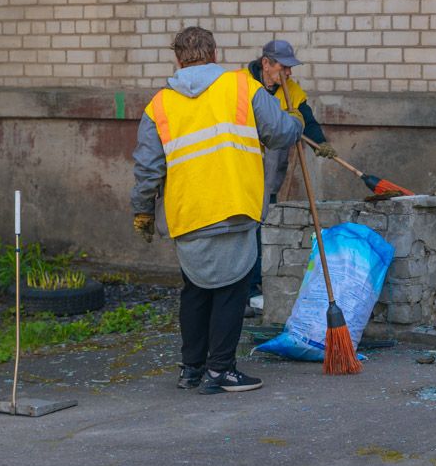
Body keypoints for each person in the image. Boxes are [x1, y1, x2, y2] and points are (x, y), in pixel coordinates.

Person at [132, 26, 302, 395]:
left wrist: (143, 211)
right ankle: (221, 370)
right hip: (233, 207)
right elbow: (278, 132)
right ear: (214, 53)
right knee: (231, 290)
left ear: (178, 58)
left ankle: (191, 369)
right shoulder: (241, 87)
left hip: (188, 213)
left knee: (195, 290)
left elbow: (147, 168)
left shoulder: (159, 104)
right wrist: (296, 123)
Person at [246, 40, 335, 308]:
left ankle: (255, 288)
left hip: (269, 174)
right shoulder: (240, 84)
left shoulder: (291, 91)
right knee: (246, 230)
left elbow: (306, 120)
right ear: (266, 64)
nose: (289, 74)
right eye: (284, 67)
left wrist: (321, 144)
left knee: (262, 227)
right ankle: (247, 291)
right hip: (242, 168)